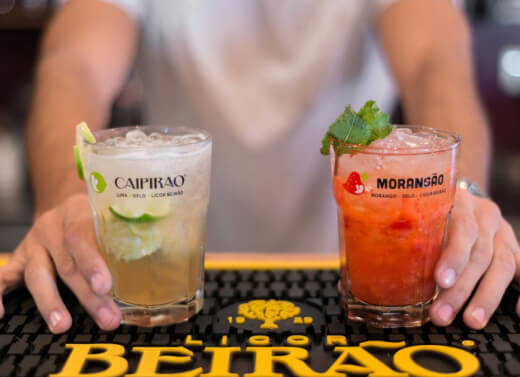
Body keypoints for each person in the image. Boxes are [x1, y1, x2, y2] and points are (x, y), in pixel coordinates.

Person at [0, 0, 518, 334]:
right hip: (166, 291)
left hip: (354, 290)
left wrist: (461, 194)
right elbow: (75, 64)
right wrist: (66, 201)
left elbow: (435, 61)